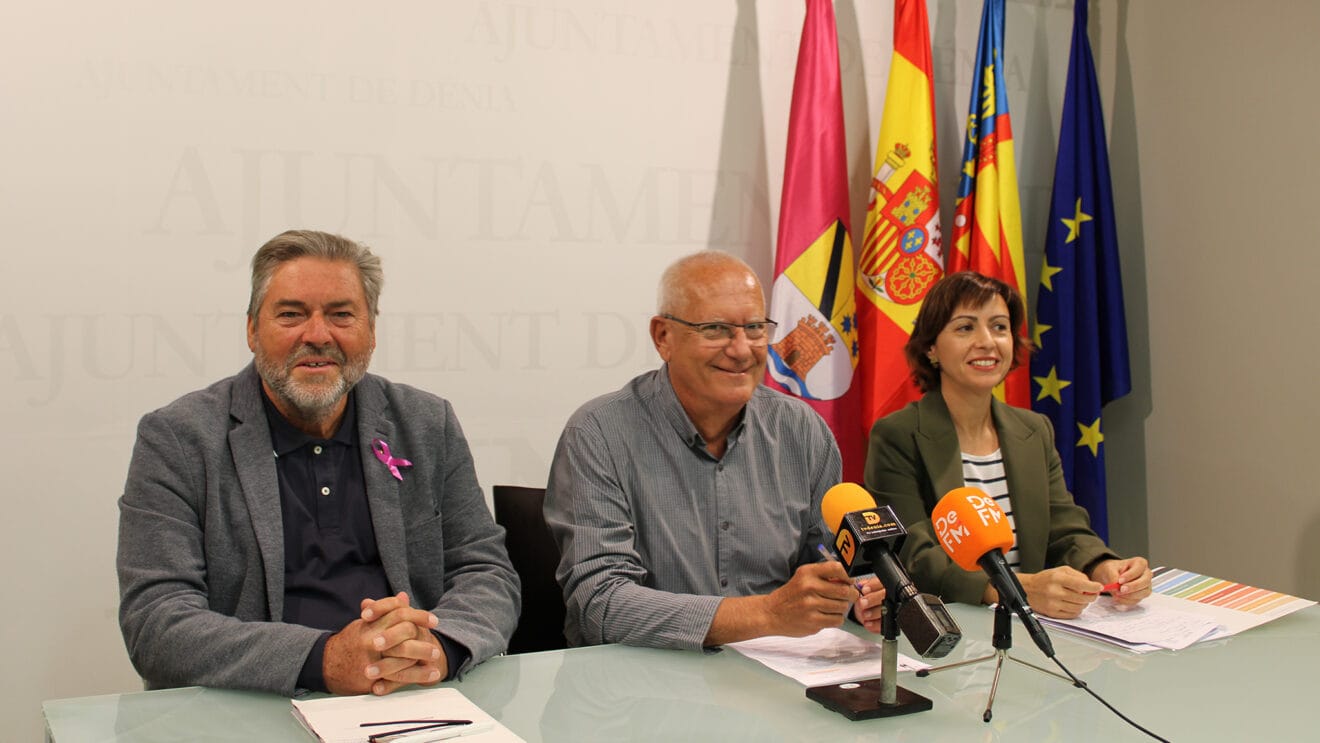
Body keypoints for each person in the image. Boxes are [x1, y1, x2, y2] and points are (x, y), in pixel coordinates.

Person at [117, 230, 519, 696]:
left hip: (410, 698)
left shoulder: (427, 423)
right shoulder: (178, 439)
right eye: (291, 314)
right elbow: (156, 621)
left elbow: (486, 571)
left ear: (371, 329)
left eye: (341, 315)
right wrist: (323, 659)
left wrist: (439, 647)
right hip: (255, 704)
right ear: (251, 329)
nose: (317, 335)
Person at [543, 250, 884, 649]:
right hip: (640, 689)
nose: (742, 350)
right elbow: (600, 604)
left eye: (755, 328)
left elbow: (827, 555)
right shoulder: (598, 434)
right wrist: (767, 614)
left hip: (777, 676)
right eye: (716, 329)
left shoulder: (802, 430)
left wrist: (857, 592)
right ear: (663, 337)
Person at [864, 271, 1152, 619]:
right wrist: (1018, 589)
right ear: (931, 347)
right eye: (965, 328)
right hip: (953, 624)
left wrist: (1104, 565)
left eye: (999, 327)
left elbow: (1065, 527)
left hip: (1032, 623)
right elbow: (914, 556)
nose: (987, 341)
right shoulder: (898, 434)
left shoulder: (1033, 429)